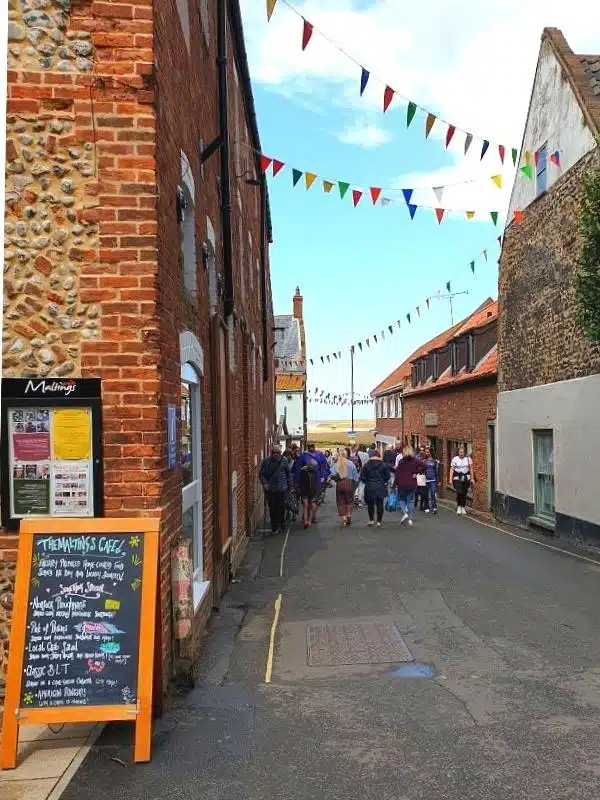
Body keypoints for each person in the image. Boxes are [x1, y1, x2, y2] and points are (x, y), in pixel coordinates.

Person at [259, 445, 293, 535]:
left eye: (277, 453)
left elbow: (288, 474)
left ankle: (281, 524)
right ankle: (274, 527)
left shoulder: (284, 460)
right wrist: (265, 484)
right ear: (271, 453)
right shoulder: (266, 461)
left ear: (280, 453)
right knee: (272, 509)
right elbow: (261, 474)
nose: (275, 454)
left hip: (282, 488)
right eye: (273, 453)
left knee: (281, 507)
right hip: (271, 489)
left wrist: (290, 486)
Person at [360, 449, 391, 527]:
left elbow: (362, 476)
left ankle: (371, 520)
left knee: (370, 504)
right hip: (380, 486)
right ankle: (379, 521)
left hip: (370, 486)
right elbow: (388, 476)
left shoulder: (367, 465)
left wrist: (366, 481)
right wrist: (383, 481)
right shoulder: (383, 465)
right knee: (380, 504)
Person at [330, 447, 359, 526]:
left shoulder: (337, 464)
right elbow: (356, 476)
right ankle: (348, 514)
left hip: (340, 483)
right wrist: (355, 485)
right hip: (349, 483)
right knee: (349, 501)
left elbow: (331, 474)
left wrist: (336, 478)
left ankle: (344, 519)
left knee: (340, 501)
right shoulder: (351, 463)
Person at [394, 445, 423, 526]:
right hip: (412, 483)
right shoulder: (415, 461)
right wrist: (416, 472)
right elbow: (424, 466)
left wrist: (394, 484)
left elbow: (397, 474)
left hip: (402, 484)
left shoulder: (401, 461)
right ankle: (409, 519)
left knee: (401, 499)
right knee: (410, 501)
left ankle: (405, 513)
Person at [450, 445, 474, 514]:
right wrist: (450, 479)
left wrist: (472, 478)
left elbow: (471, 469)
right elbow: (452, 469)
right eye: (460, 452)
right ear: (458, 452)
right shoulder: (455, 459)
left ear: (465, 452)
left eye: (463, 452)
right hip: (457, 477)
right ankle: (459, 506)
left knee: (464, 492)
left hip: (466, 477)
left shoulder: (468, 459)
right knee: (459, 491)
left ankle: (463, 507)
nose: (461, 453)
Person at [422, 445, 440, 514]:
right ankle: (427, 507)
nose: (426, 453)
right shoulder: (423, 461)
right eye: (425, 452)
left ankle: (434, 507)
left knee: (433, 493)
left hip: (433, 479)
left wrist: (438, 480)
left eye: (427, 452)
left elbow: (437, 471)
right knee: (426, 494)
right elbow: (421, 470)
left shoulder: (435, 461)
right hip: (425, 479)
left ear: (430, 453)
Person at [415, 444, 429, 511]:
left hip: (426, 475)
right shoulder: (417, 457)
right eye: (420, 450)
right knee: (419, 490)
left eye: (423, 450)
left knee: (423, 491)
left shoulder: (426, 457)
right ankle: (416, 500)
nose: (422, 451)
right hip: (420, 475)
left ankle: (422, 505)